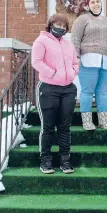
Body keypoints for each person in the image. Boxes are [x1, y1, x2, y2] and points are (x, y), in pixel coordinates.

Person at [32, 13, 78, 174]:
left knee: (65, 127)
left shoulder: (68, 44)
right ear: (50, 25)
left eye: (64, 27)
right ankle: (46, 161)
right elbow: (36, 61)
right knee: (48, 127)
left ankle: (65, 161)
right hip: (48, 89)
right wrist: (52, 73)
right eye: (58, 26)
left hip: (68, 89)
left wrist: (73, 73)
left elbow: (75, 62)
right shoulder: (41, 41)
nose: (61, 29)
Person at [71, 0, 107, 131]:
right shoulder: (82, 19)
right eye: (93, 2)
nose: (96, 4)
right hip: (88, 59)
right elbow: (75, 39)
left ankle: (103, 121)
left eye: (98, 1)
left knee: (102, 92)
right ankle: (87, 122)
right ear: (88, 5)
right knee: (87, 91)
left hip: (106, 61)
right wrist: (76, 57)